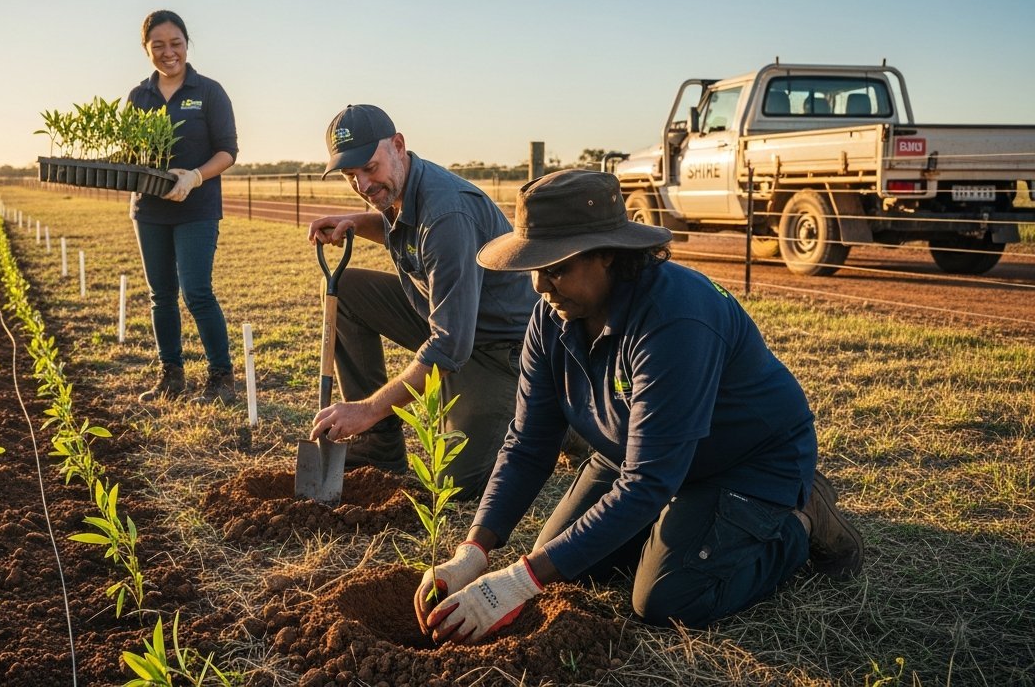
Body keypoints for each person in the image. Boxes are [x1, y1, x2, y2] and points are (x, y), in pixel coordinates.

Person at [416, 170, 865, 643]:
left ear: (608, 253)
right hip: (634, 453)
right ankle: (681, 524)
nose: (541, 286)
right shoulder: (554, 317)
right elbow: (528, 442)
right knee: (570, 567)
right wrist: (474, 551)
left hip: (744, 463)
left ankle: (798, 521)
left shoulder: (675, 320)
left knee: (667, 601)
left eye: (556, 267)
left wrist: (518, 581)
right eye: (533, 267)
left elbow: (649, 481)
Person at [307, 105, 537, 501]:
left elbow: (450, 346)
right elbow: (408, 233)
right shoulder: (404, 188)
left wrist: (369, 408)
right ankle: (380, 446)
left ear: (398, 145)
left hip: (499, 347)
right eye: (350, 176)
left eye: (369, 168)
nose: (362, 185)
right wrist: (355, 221)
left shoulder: (446, 213)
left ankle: (555, 416)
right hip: (446, 319)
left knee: (450, 484)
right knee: (346, 288)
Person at [127, 10, 239, 404]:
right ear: (146, 49)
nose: (168, 52)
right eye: (158, 46)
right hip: (150, 210)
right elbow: (130, 153)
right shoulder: (138, 96)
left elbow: (228, 152)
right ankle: (171, 377)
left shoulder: (209, 91)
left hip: (197, 208)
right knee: (161, 295)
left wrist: (193, 176)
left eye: (175, 43)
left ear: (187, 44)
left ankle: (221, 377)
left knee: (197, 292)